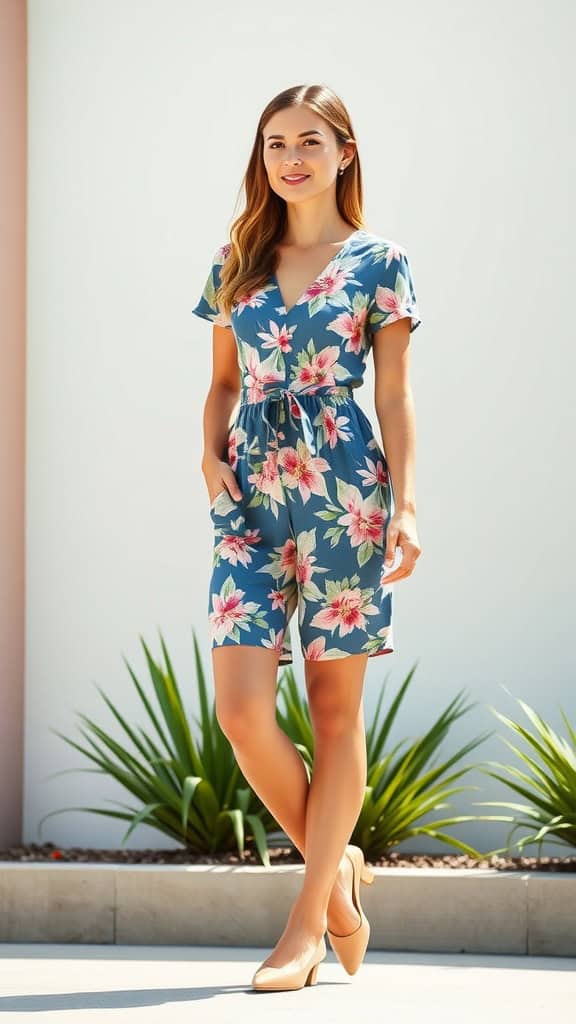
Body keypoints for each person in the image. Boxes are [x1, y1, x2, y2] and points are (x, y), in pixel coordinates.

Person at [191, 83, 422, 991]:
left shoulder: (381, 261)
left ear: (345, 152)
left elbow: (396, 394)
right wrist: (206, 455)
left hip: (344, 495)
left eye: (311, 140)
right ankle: (340, 885)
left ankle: (305, 923)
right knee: (242, 712)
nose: (292, 156)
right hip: (248, 498)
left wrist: (406, 505)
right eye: (276, 141)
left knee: (333, 715)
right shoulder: (236, 259)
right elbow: (220, 382)